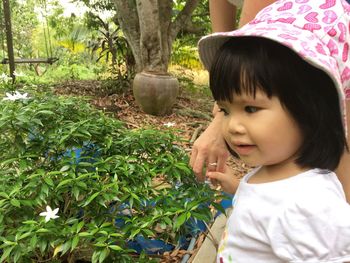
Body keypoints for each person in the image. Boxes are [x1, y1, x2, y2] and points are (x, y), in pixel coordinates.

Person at [197, 0, 350, 261]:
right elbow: (271, 203)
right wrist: (238, 187)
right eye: (225, 110)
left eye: (251, 109)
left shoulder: (310, 207)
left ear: (309, 108)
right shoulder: (276, 170)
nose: (232, 125)